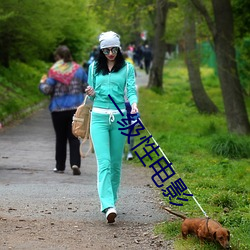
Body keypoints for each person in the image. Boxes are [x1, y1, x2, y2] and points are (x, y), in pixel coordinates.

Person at [85, 31, 138, 223]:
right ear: (101, 50)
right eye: (106, 50)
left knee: (116, 164)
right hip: (98, 118)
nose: (110, 53)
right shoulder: (93, 68)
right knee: (104, 163)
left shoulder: (127, 68)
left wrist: (133, 103)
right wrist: (90, 92)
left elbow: (131, 90)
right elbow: (91, 96)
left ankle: (112, 201)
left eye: (114, 49)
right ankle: (107, 205)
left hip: (120, 119)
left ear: (119, 48)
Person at [39, 45, 88, 175]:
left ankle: (60, 166)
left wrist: (42, 83)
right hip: (75, 109)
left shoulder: (54, 71)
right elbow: (86, 87)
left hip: (58, 109)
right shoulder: (79, 70)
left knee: (60, 138)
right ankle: (75, 163)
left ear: (58, 57)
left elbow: (47, 90)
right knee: (74, 137)